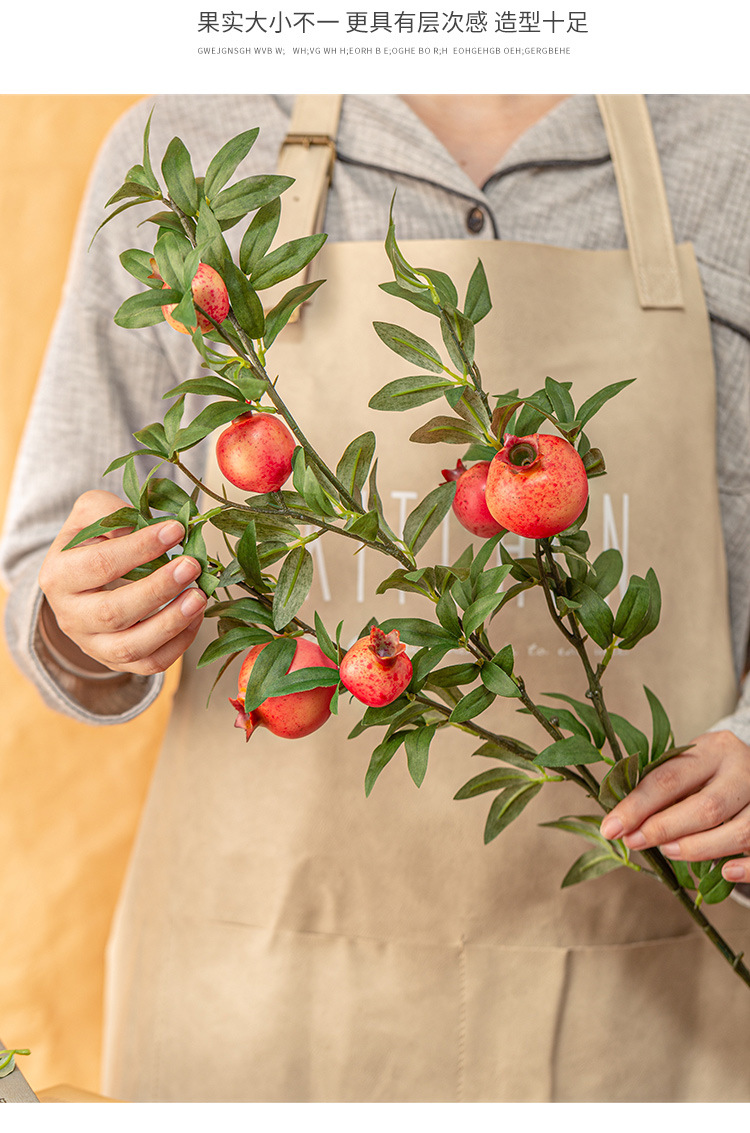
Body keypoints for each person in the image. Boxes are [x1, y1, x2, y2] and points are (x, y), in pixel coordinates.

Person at [3, 93, 750, 1103]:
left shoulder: (728, 145)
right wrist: (86, 616)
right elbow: (51, 561)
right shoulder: (186, 151)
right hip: (257, 1005)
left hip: (650, 997)